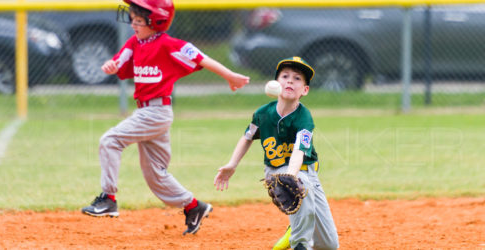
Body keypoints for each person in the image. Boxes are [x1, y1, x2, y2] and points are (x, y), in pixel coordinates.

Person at [81, 0, 250, 236]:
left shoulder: (169, 44)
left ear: (156, 21)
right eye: (132, 19)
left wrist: (230, 76)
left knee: (110, 140)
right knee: (155, 174)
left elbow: (201, 58)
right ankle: (194, 207)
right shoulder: (135, 42)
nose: (133, 25)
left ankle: (108, 198)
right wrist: (111, 65)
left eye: (139, 21)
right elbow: (120, 60)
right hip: (146, 112)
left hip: (157, 112)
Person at [214, 57, 339, 249]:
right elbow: (248, 137)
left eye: (297, 78)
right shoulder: (263, 114)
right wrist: (232, 164)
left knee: (329, 245)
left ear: (305, 90)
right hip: (275, 171)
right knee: (301, 185)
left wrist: (291, 175)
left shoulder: (304, 117)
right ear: (276, 84)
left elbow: (299, 151)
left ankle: (295, 230)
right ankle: (300, 243)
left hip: (305, 171)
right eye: (285, 76)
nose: (290, 81)